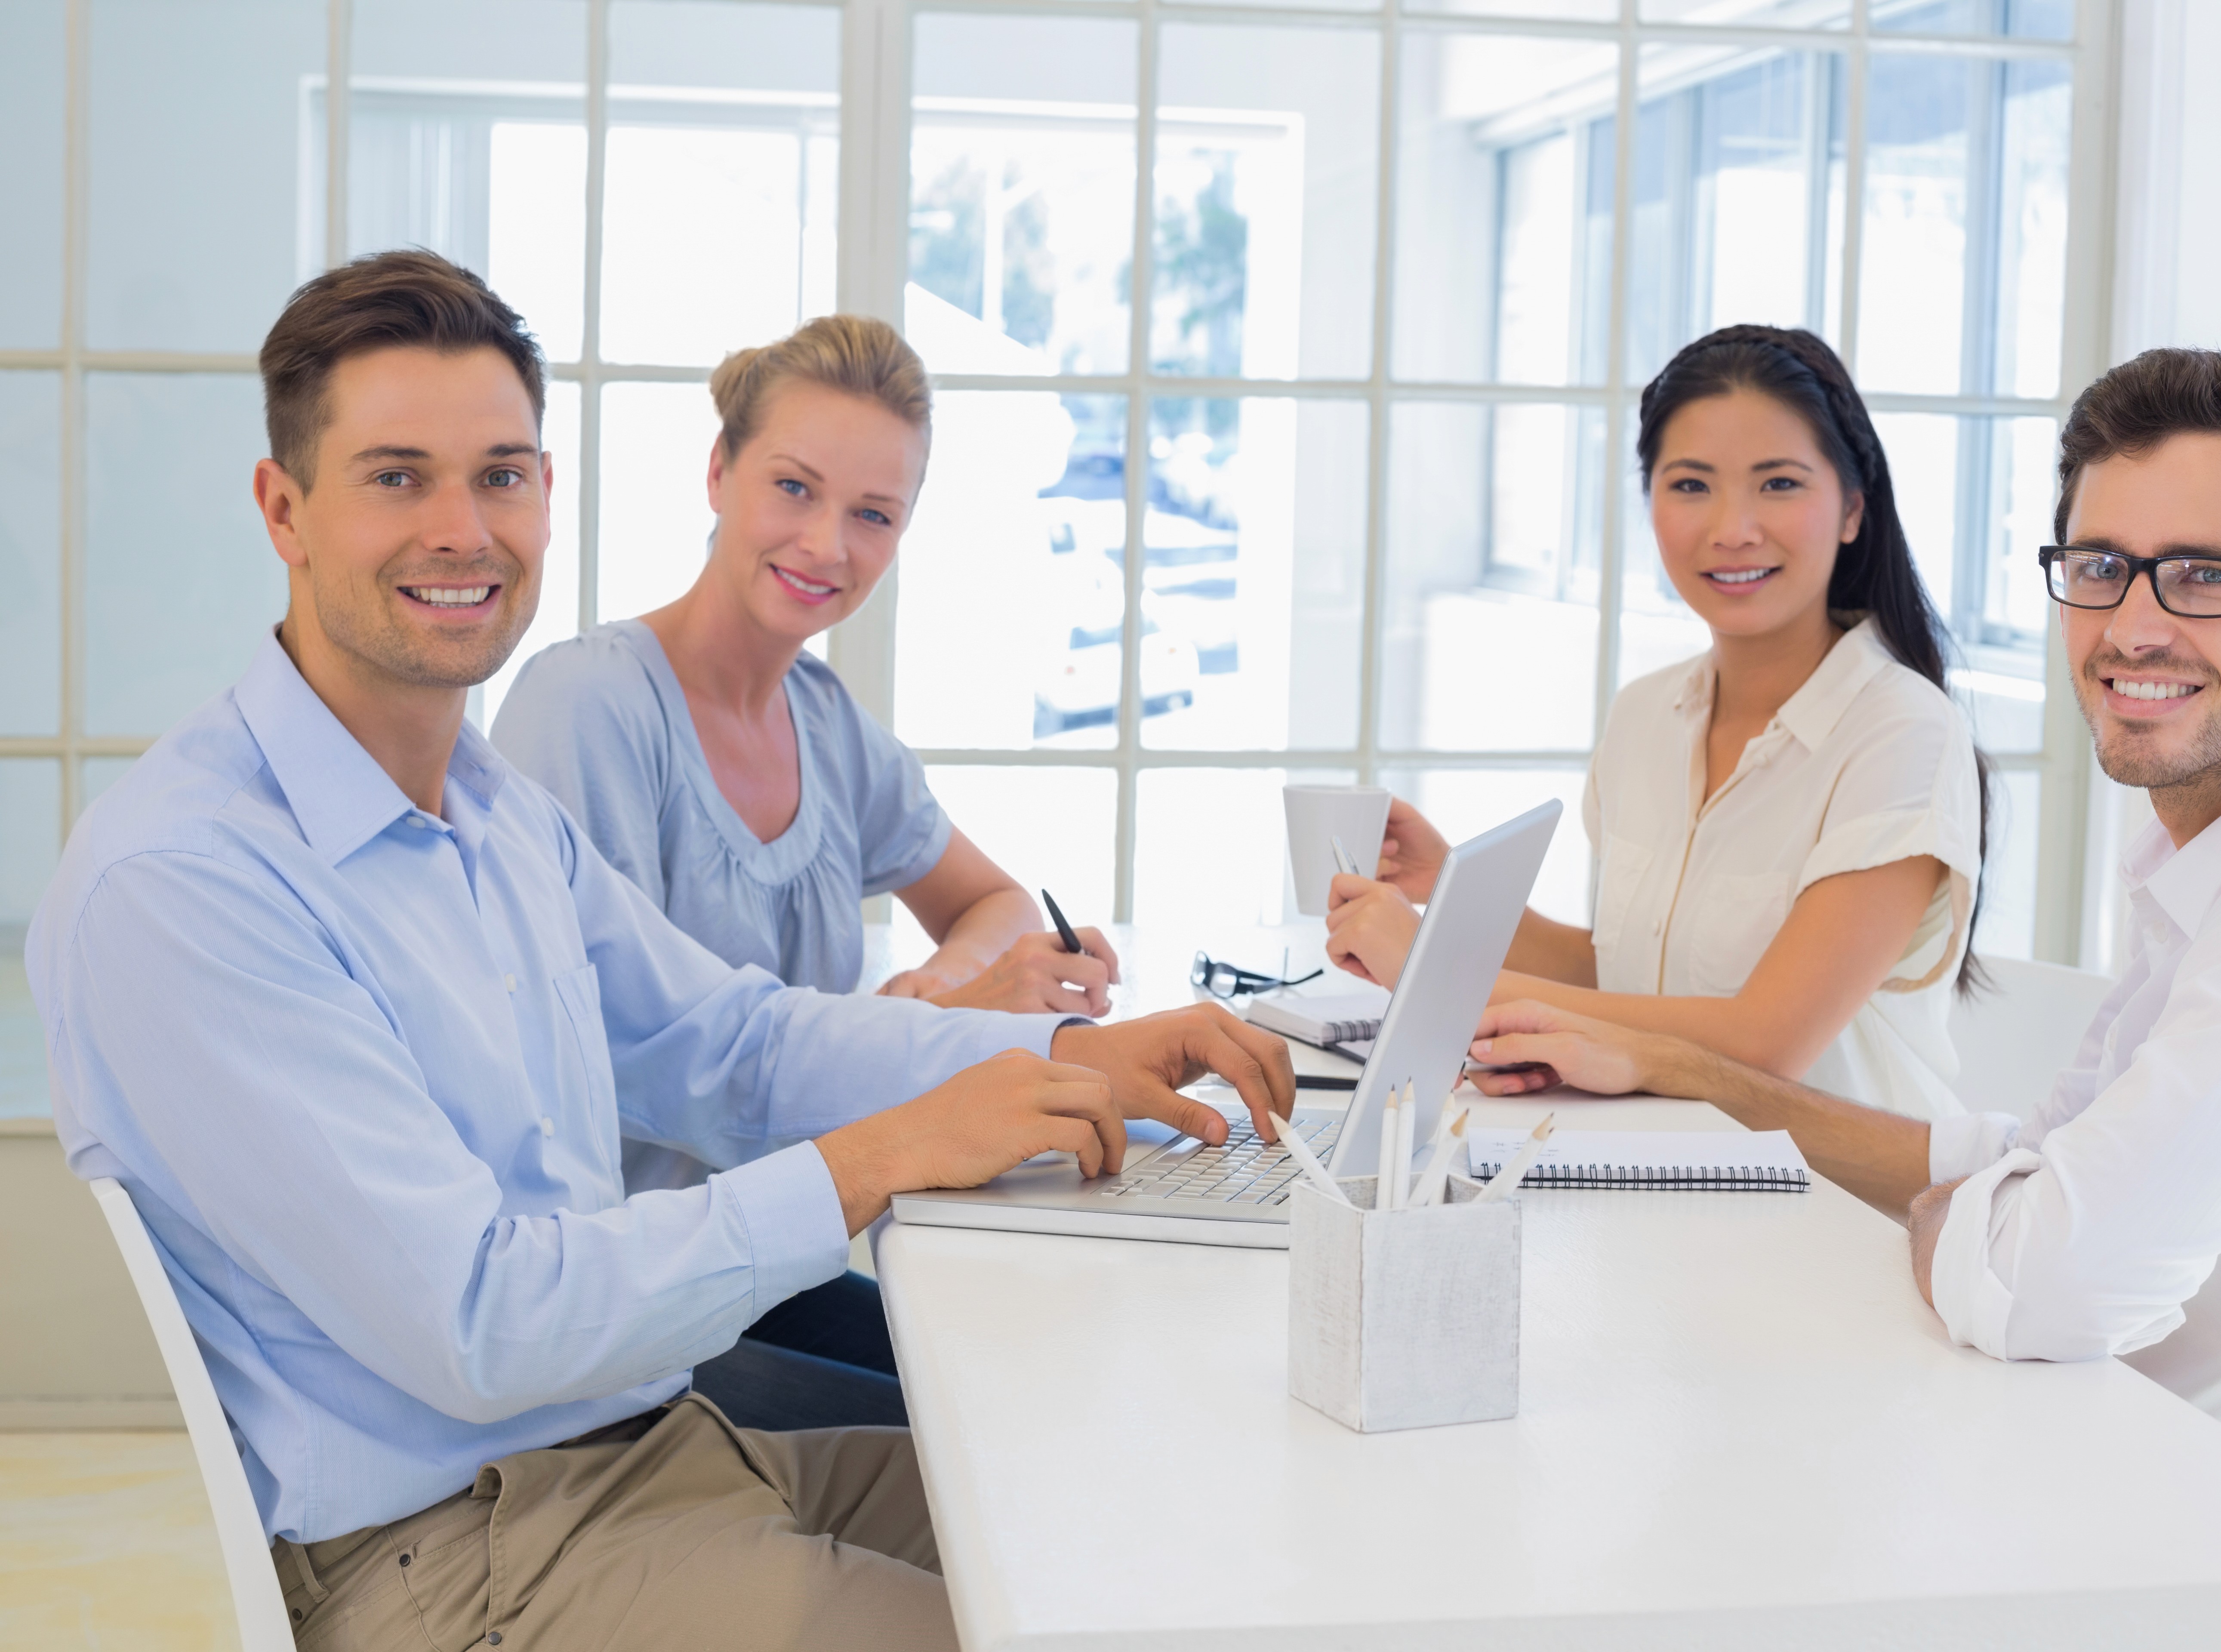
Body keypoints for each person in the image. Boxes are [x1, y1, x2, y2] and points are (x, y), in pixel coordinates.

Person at [26, 249, 1295, 1652]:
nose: (463, 527)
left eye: (501, 474)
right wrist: (885, 1154)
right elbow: (485, 1319)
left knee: (1140, 1534)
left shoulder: (493, 812)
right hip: (456, 1551)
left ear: (548, 494)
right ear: (286, 509)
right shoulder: (189, 883)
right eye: (398, 477)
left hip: (644, 1450)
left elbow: (734, 1044)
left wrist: (1062, 1052)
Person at [1458, 348, 2221, 1530]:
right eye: (2101, 568)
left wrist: (1993, 1209)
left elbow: (2043, 1280)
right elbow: (2027, 1157)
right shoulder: (2217, 870)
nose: (2133, 627)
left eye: (2204, 576)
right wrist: (1685, 1072)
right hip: (2079, 1470)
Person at [492, 317, 1107, 1423]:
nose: (829, 544)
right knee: (992, 1441)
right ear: (720, 473)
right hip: (634, 1296)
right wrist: (956, 1016)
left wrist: (951, 983)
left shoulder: (826, 726)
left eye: (874, 514)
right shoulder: (587, 706)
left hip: (780, 1262)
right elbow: (640, 1060)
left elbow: (992, 900)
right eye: (794, 488)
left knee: (1041, 1387)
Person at [1327, 325, 1987, 1121]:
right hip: (1642, 1173)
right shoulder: (1645, 715)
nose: (1732, 529)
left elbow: (1764, 1042)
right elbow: (1625, 979)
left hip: (1836, 1209)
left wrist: (1434, 973)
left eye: (1778, 484)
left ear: (1852, 508)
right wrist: (1449, 893)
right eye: (1691, 485)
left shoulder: (1903, 732)